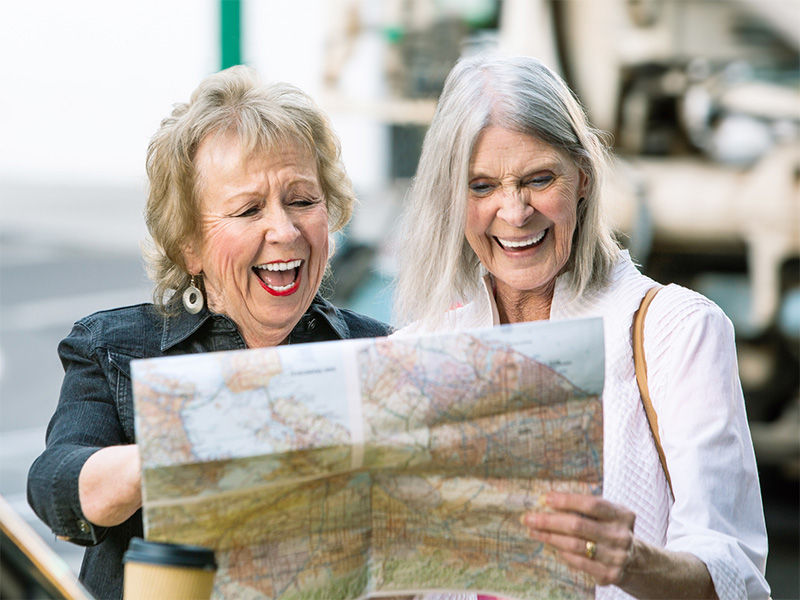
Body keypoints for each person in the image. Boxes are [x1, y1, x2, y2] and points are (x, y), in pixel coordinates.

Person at [394, 54, 769, 599]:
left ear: (583, 179)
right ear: (451, 199)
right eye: (481, 187)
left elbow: (736, 574)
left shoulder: (676, 332)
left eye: (538, 179)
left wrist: (633, 562)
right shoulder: (414, 355)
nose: (515, 212)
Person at [27, 65, 392, 600]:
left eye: (303, 200)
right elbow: (56, 484)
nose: (286, 231)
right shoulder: (113, 349)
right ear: (189, 245)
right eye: (248, 209)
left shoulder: (383, 354)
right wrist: (193, 443)